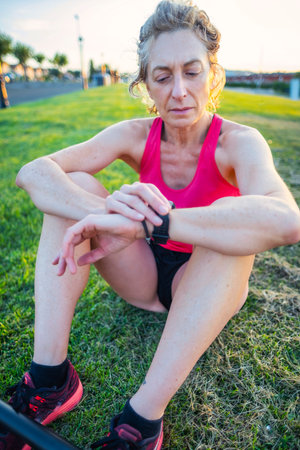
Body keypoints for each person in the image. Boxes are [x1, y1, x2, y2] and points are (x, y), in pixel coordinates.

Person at [2, 1, 300, 449]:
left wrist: (155, 224)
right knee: (75, 183)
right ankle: (50, 379)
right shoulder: (136, 134)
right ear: (146, 85)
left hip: (201, 284)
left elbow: (285, 220)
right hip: (140, 278)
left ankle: (141, 423)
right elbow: (34, 172)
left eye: (192, 72)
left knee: (232, 230)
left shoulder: (239, 142)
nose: (179, 91)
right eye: (163, 77)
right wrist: (104, 213)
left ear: (213, 74)